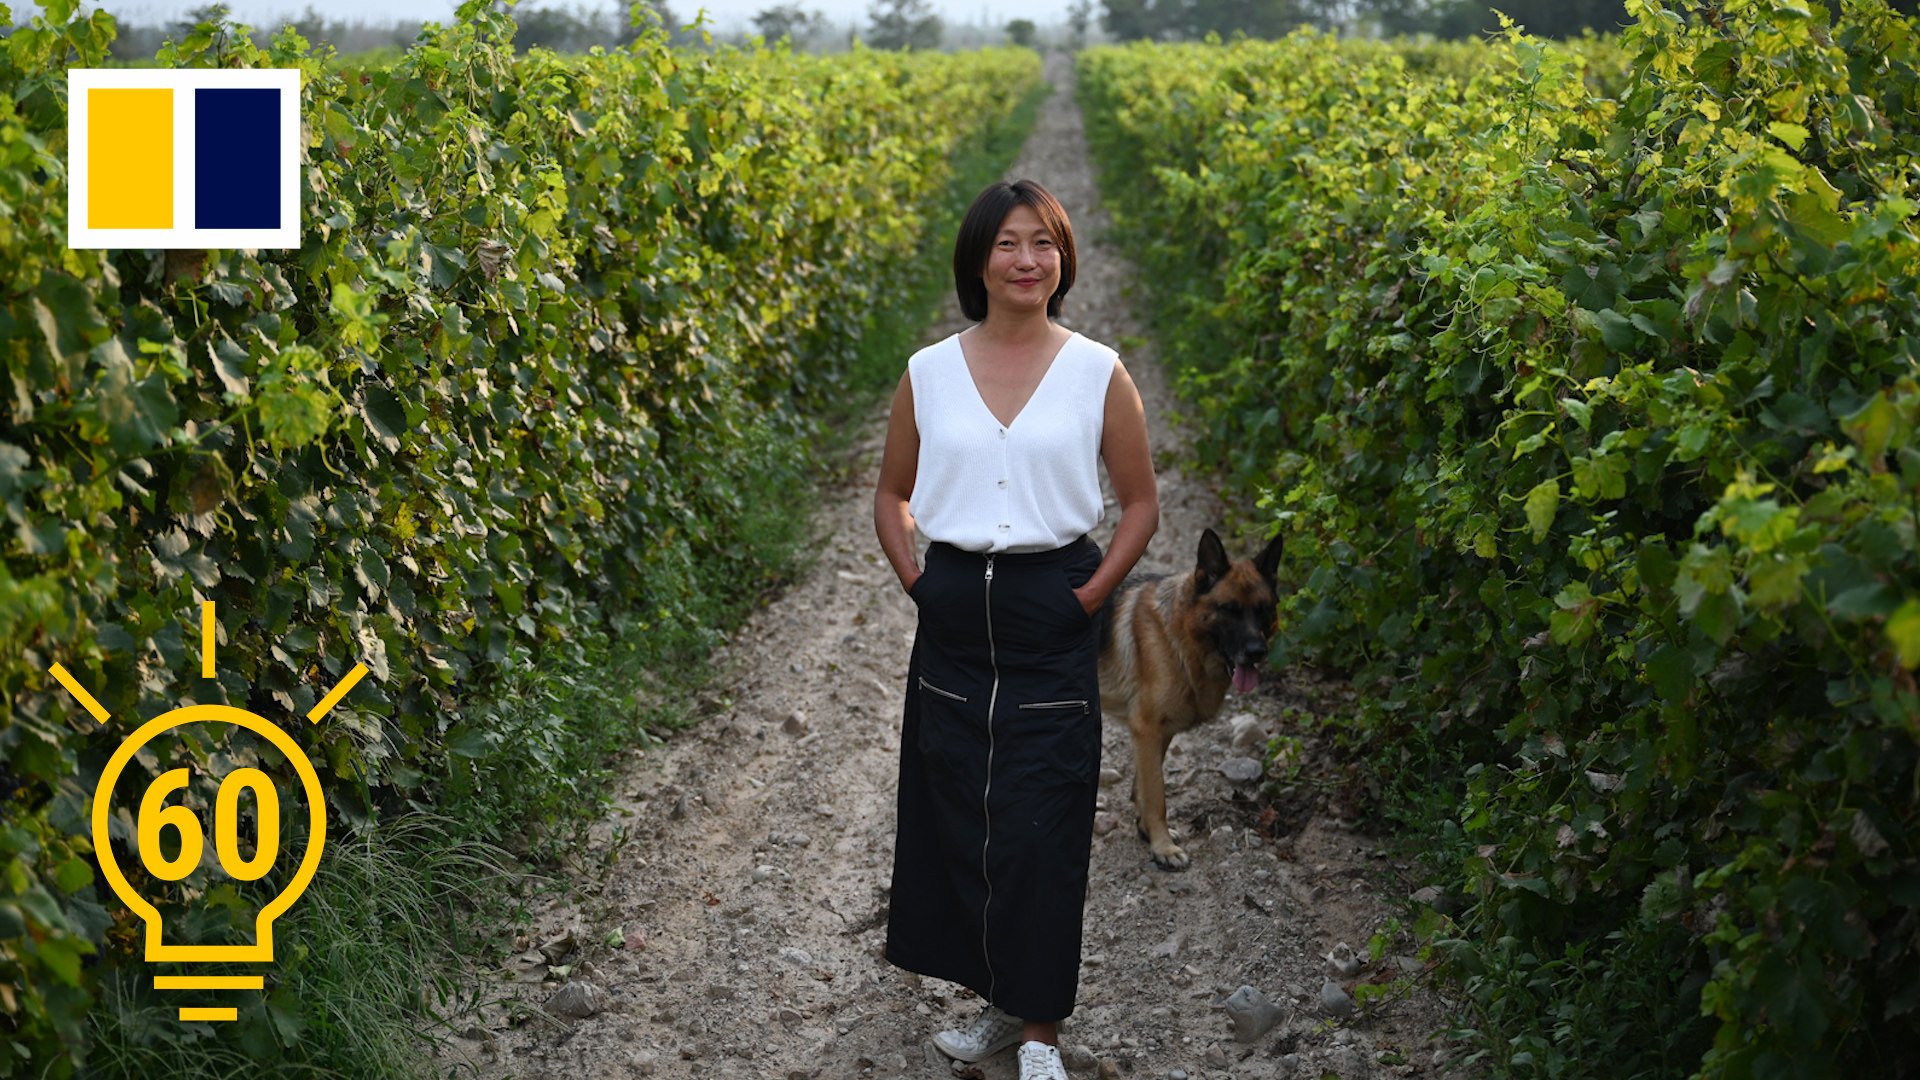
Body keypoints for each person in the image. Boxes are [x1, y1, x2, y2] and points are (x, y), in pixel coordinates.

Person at [871, 178, 1159, 1080]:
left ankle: (1040, 1033)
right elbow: (890, 494)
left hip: (1051, 602)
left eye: (1044, 243)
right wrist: (921, 581)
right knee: (956, 807)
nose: (1027, 259)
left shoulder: (1096, 369)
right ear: (978, 260)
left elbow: (1142, 505)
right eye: (1008, 243)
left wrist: (1088, 597)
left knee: (1044, 817)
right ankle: (998, 1004)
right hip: (954, 603)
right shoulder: (928, 371)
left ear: (1063, 260)